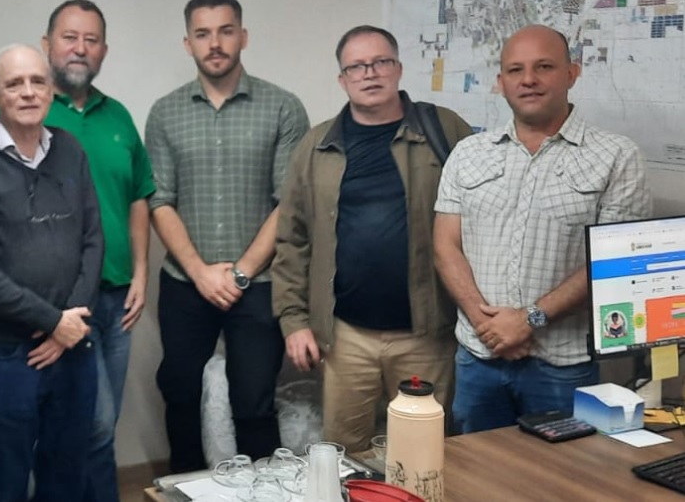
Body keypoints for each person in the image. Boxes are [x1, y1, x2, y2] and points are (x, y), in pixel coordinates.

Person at [434, 24, 652, 433]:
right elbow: (446, 247)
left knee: (560, 471)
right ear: (501, 82)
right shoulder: (468, 153)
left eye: (544, 67)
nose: (528, 79)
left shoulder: (617, 157)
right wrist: (488, 326)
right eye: (515, 70)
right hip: (478, 358)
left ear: (571, 73)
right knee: (474, 467)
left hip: (562, 365)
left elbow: (613, 262)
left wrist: (529, 319)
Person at [0, 0, 153, 501]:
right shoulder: (16, 116)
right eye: (69, 37)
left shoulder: (118, 117)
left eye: (91, 40)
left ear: (103, 51)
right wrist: (54, 316)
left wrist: (141, 271)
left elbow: (139, 196)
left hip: (116, 297)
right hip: (54, 307)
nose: (80, 48)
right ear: (47, 44)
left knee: (100, 426)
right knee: (87, 426)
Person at [272, 25, 474, 453]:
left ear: (398, 68)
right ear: (342, 79)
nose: (369, 73)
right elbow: (292, 238)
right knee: (345, 455)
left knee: (425, 453)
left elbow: (484, 217)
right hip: (347, 338)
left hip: (426, 335)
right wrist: (294, 321)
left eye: (380, 62)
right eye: (357, 66)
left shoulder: (444, 130)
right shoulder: (317, 146)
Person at [145, 0, 309, 470]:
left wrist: (239, 273)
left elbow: (289, 204)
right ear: (188, 43)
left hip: (259, 284)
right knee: (179, 393)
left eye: (225, 31)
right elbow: (159, 199)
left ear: (243, 36)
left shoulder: (282, 107)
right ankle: (184, 492)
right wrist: (200, 272)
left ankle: (265, 494)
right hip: (185, 283)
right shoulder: (165, 113)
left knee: (254, 401)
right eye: (202, 34)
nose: (214, 43)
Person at [0, 44, 103, 501]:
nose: (29, 92)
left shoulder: (70, 149)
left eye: (37, 81)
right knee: (8, 477)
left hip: (73, 345)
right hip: (9, 353)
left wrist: (68, 325)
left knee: (67, 474)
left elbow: (93, 239)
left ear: (51, 90)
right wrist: (52, 322)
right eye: (14, 84)